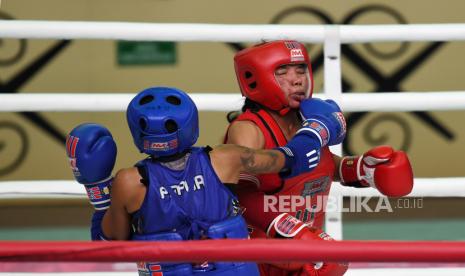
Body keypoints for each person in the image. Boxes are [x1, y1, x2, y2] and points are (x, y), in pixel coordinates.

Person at [65, 86, 347, 276]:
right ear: (191, 125)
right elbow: (288, 159)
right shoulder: (226, 159)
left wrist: (98, 189)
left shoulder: (129, 182)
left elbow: (109, 241)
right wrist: (315, 131)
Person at [224, 40, 414, 275]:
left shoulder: (309, 123)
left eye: (301, 69)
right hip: (257, 258)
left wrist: (360, 169)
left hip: (298, 249)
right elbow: (236, 195)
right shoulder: (249, 129)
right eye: (282, 71)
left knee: (333, 260)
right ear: (256, 79)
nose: (297, 79)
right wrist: (290, 230)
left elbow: (318, 165)